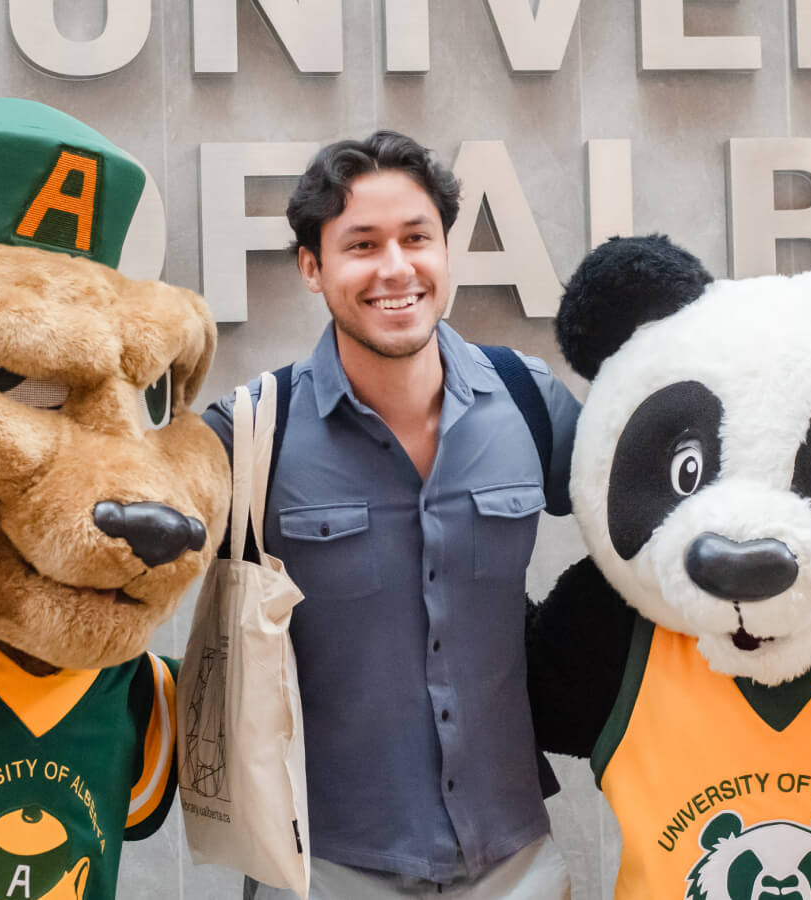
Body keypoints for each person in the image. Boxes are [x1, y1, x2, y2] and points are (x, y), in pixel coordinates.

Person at [202, 132, 580, 900]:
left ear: (447, 250)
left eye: (417, 238)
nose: (396, 269)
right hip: (323, 865)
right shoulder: (248, 431)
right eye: (361, 244)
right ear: (312, 267)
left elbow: (657, 535)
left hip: (514, 861)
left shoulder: (530, 401)